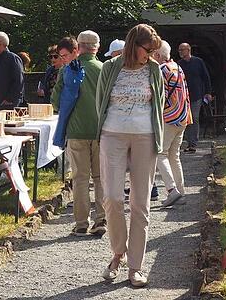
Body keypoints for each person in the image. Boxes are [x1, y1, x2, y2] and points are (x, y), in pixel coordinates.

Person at [97, 24, 163, 287]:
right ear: (134, 44)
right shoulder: (110, 67)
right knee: (112, 197)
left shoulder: (154, 70)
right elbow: (100, 101)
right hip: (112, 134)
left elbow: (157, 105)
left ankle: (135, 266)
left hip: (145, 136)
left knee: (140, 203)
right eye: (147, 50)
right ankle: (118, 253)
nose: (150, 55)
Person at [51, 31, 106, 237]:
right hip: (101, 131)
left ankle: (81, 223)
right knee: (101, 178)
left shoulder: (67, 70)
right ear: (97, 47)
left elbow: (56, 102)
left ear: (79, 47)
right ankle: (101, 220)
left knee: (81, 178)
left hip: (76, 131)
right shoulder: (104, 69)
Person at [152, 40, 192, 208]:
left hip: (168, 117)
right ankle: (180, 192)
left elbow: (160, 97)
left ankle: (172, 190)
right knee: (174, 156)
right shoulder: (177, 66)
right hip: (182, 115)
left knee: (160, 154)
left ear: (157, 55)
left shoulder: (161, 70)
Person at [177, 42, 212, 153]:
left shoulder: (198, 62)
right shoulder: (179, 64)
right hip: (183, 96)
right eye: (180, 50)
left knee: (194, 119)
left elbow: (206, 77)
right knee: (184, 119)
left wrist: (208, 92)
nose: (181, 52)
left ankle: (193, 144)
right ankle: (186, 142)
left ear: (189, 50)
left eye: (183, 50)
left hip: (196, 95)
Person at [0, 31, 24, 110]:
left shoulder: (13, 58)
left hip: (9, 103)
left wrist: (10, 99)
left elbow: (19, 80)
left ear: (0, 43)